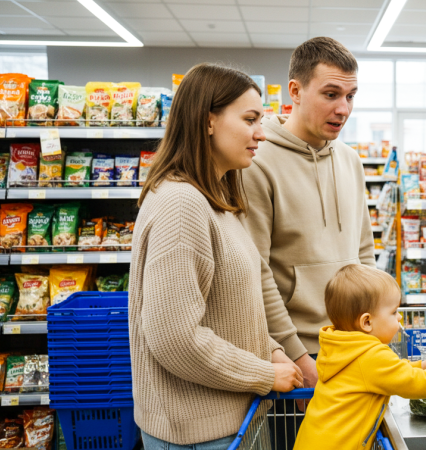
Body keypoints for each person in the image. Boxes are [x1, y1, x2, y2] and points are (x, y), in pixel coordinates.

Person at [128, 63, 304, 450]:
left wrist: (270, 347)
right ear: (208, 121)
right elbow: (175, 338)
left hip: (230, 420)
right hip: (198, 432)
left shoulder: (218, 198)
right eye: (250, 119)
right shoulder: (181, 205)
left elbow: (229, 304)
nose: (261, 133)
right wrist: (262, 372)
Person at [241, 36, 375, 389]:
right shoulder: (257, 162)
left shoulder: (350, 161)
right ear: (295, 91)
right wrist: (296, 356)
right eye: (330, 95)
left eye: (350, 96)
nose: (343, 108)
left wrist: (373, 331)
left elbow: (363, 254)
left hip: (354, 346)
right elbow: (256, 270)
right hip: (298, 355)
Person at [293, 265, 426, 449]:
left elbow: (388, 371)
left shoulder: (344, 346)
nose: (399, 318)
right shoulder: (370, 355)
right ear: (367, 322)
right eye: (394, 312)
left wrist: (420, 366)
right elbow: (415, 384)